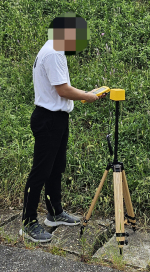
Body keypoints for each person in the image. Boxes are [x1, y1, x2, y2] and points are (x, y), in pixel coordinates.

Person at [20, 13, 101, 243]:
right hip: (49, 119)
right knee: (40, 171)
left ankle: (55, 212)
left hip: (56, 118)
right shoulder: (54, 53)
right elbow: (63, 90)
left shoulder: (52, 48)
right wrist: (88, 96)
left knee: (55, 168)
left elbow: (62, 88)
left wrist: (84, 94)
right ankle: (28, 222)